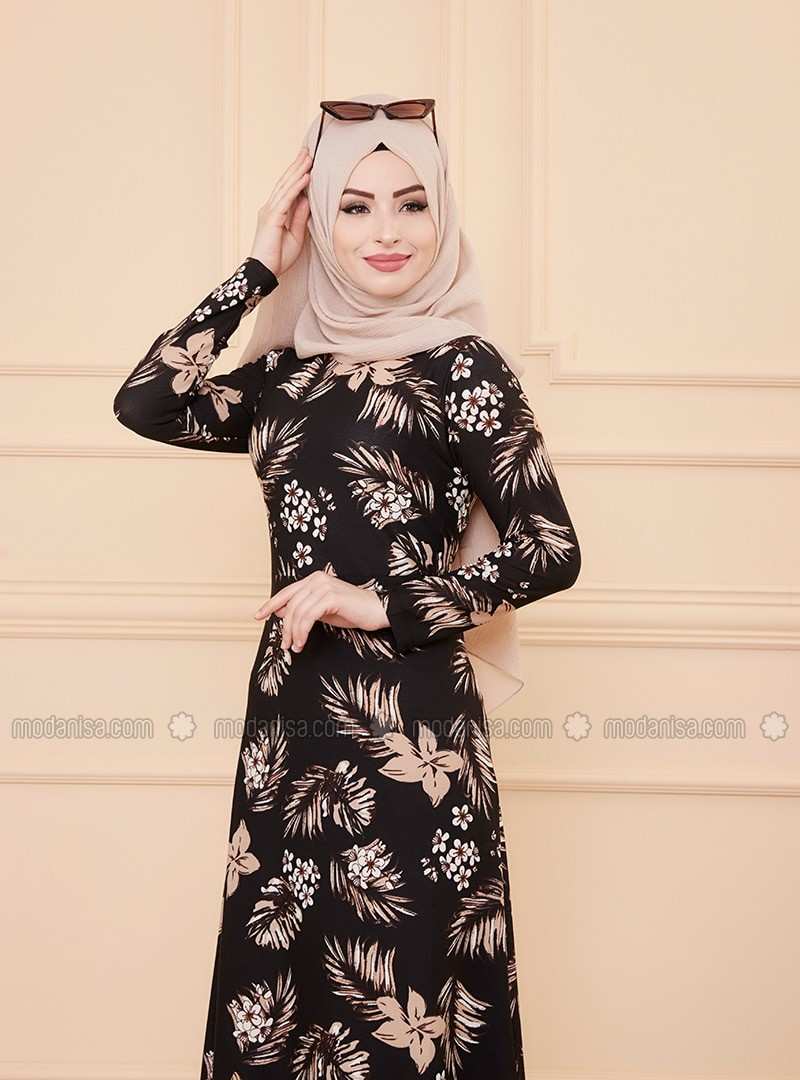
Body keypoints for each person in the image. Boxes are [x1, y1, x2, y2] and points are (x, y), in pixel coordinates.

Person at [113, 92, 580, 1080]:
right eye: (353, 207)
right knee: (278, 1001)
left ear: (442, 215)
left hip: (413, 733)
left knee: (406, 999)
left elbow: (548, 546)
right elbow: (148, 402)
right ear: (317, 219)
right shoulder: (286, 376)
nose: (386, 233)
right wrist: (257, 265)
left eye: (412, 204)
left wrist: (382, 602)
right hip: (288, 724)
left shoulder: (462, 368)